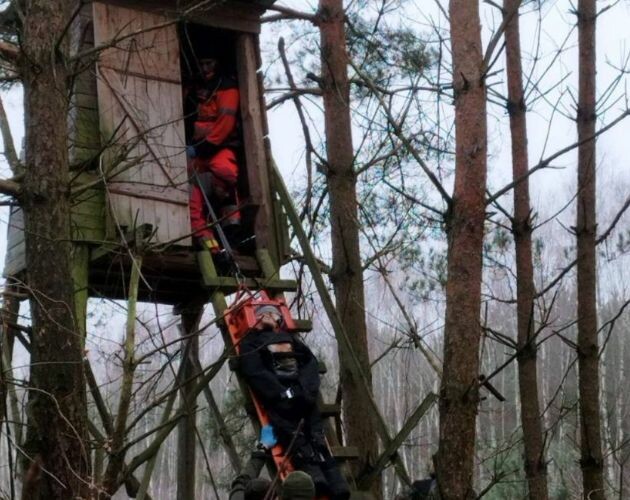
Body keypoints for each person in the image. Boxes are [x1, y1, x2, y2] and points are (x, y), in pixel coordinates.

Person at [239, 305, 350, 500]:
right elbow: (255, 371)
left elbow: (310, 363)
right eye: (262, 314)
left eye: (272, 313)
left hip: (303, 395)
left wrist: (306, 390)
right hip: (280, 400)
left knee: (317, 436)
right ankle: (315, 480)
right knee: (295, 437)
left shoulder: (292, 340)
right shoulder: (251, 343)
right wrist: (281, 394)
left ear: (278, 319)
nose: (267, 316)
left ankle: (338, 484)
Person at [185, 54, 241, 257]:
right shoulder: (194, 87)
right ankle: (212, 250)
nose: (205, 68)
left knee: (226, 172)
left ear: (217, 63)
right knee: (192, 199)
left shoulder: (226, 87)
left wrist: (203, 148)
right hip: (198, 153)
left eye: (209, 62)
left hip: (218, 148)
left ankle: (232, 243)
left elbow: (225, 123)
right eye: (202, 63)